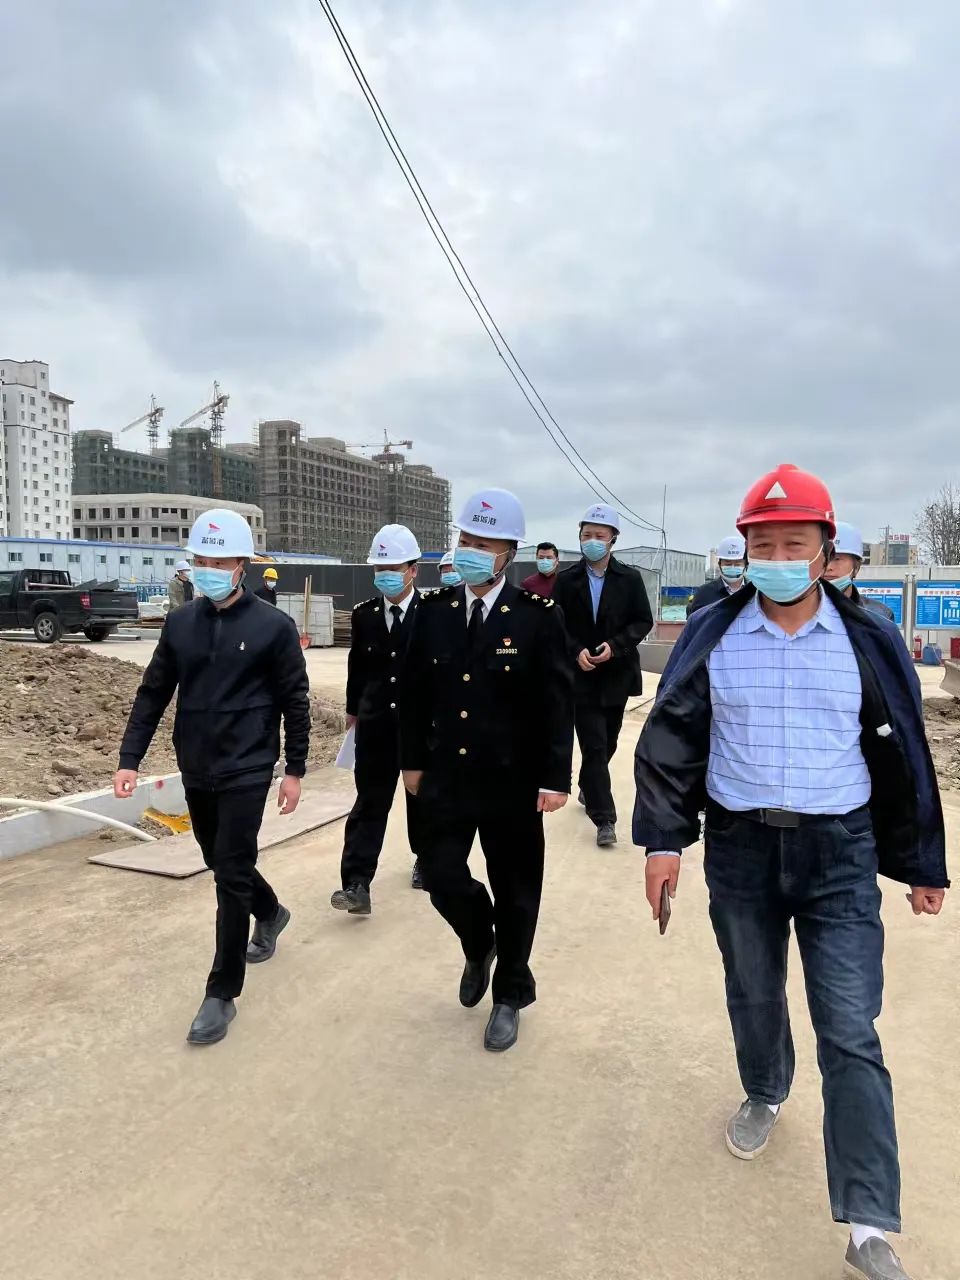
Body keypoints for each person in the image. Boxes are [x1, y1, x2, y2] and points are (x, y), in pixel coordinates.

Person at [634, 463, 948, 1280]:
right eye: (762, 544)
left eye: (793, 543)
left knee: (850, 1028)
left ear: (824, 551)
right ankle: (766, 1087)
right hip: (740, 847)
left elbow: (908, 752)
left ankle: (869, 1222)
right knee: (752, 989)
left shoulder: (868, 637)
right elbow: (673, 739)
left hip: (839, 853)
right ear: (745, 551)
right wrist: (663, 842)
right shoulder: (714, 632)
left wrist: (922, 860)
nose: (777, 557)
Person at [114, 508, 310, 1047]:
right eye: (201, 560)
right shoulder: (181, 624)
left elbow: (295, 702)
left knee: (230, 872)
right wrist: (130, 758)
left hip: (248, 766)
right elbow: (153, 692)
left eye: (219, 562)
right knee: (219, 858)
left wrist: (294, 770)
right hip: (197, 764)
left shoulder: (273, 627)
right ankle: (270, 911)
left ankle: (221, 992)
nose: (209, 570)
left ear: (242, 564)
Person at [400, 488, 574, 1053]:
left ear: (508, 554)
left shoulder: (537, 616)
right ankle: (480, 942)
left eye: (485, 544)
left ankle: (510, 994)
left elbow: (556, 701)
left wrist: (555, 777)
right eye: (466, 540)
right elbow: (413, 694)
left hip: (513, 779)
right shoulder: (434, 612)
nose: (471, 551)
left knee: (517, 889)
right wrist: (411, 762)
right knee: (439, 874)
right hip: (446, 774)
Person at [332, 524, 425, 914]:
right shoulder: (364, 614)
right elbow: (357, 666)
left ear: (412, 570)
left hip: (419, 727)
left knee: (421, 800)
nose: (385, 575)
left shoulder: (432, 614)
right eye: (379, 568)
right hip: (374, 727)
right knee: (369, 804)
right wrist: (353, 711)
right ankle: (356, 883)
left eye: (393, 567)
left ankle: (426, 860)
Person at [552, 503, 653, 848]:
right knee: (593, 745)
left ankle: (588, 784)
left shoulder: (630, 579)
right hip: (581, 676)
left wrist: (616, 646)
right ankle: (604, 818)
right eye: (586, 535)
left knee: (608, 741)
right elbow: (556, 623)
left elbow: (642, 621)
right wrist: (575, 650)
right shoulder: (566, 581)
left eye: (599, 535)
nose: (592, 541)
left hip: (616, 675)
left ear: (613, 539)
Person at [824, 522, 895, 620]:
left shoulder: (880, 616)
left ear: (856, 567)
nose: (828, 567)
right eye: (823, 558)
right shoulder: (801, 612)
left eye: (837, 559)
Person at [686, 534, 746, 617]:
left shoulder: (755, 592)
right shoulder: (703, 593)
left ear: (746, 564)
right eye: (728, 564)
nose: (732, 567)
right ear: (719, 564)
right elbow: (694, 623)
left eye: (737, 564)